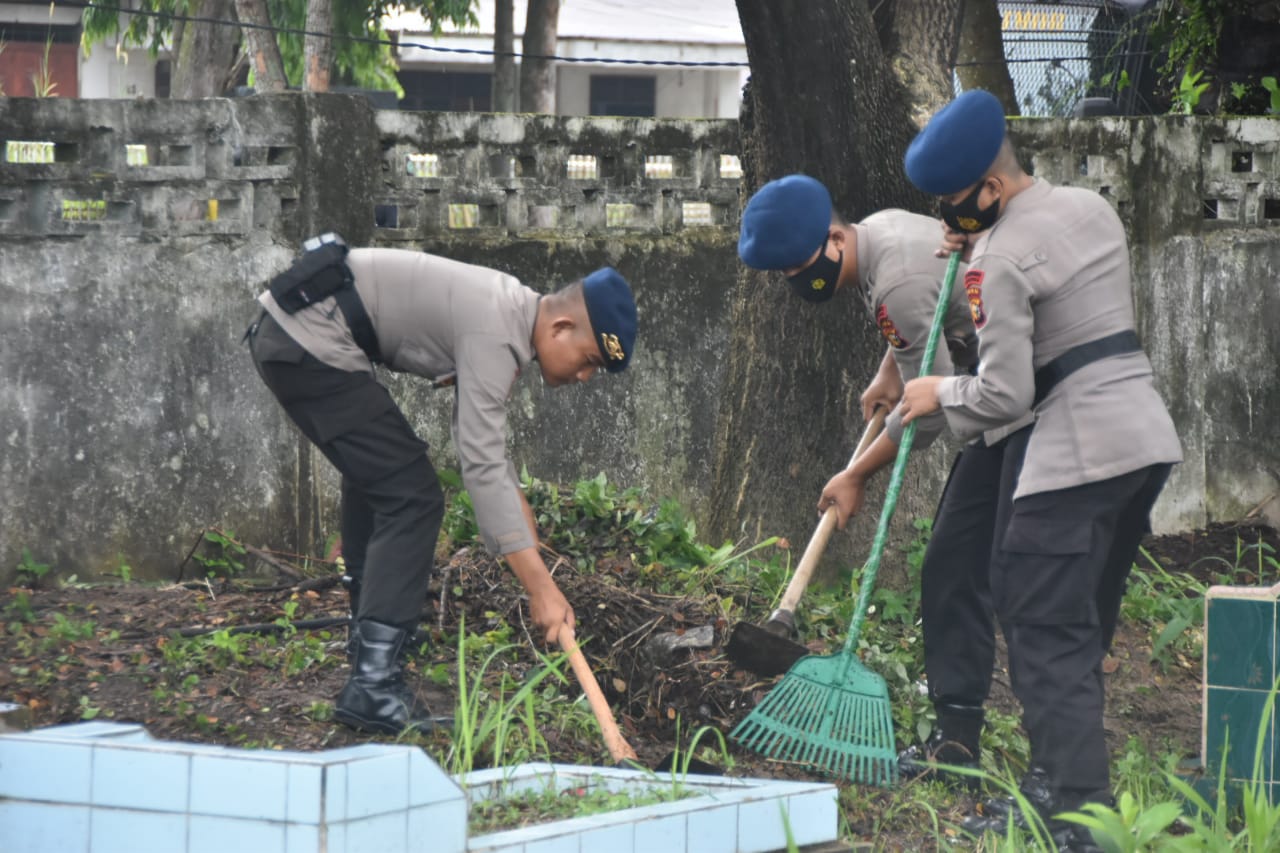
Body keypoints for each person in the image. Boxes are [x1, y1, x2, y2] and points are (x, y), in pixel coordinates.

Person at [898, 90, 1182, 849]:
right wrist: (978, 255)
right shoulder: (1091, 209)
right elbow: (1060, 289)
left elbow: (1005, 392)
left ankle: (1079, 819)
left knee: (1042, 627)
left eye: (955, 204)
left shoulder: (996, 257)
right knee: (1074, 627)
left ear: (988, 190)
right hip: (1142, 444)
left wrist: (935, 390)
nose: (948, 218)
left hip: (1073, 452)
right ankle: (1053, 784)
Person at [245, 236, 638, 735]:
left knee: (385, 477)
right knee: (411, 495)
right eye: (588, 361)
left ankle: (374, 646)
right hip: (307, 339)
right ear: (561, 327)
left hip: (294, 333)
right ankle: (372, 678)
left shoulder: (508, 308)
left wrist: (521, 525)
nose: (584, 376)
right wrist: (542, 590)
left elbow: (484, 447)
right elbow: (481, 464)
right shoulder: (497, 329)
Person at [737, 174, 1032, 784]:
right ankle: (958, 741)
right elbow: (923, 324)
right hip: (996, 391)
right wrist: (890, 370)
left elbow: (927, 418)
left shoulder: (891, 283)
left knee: (973, 566)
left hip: (1021, 407)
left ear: (836, 239)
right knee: (956, 566)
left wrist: (855, 475)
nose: (798, 279)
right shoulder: (886, 231)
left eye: (801, 264)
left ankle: (991, 745)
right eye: (785, 272)